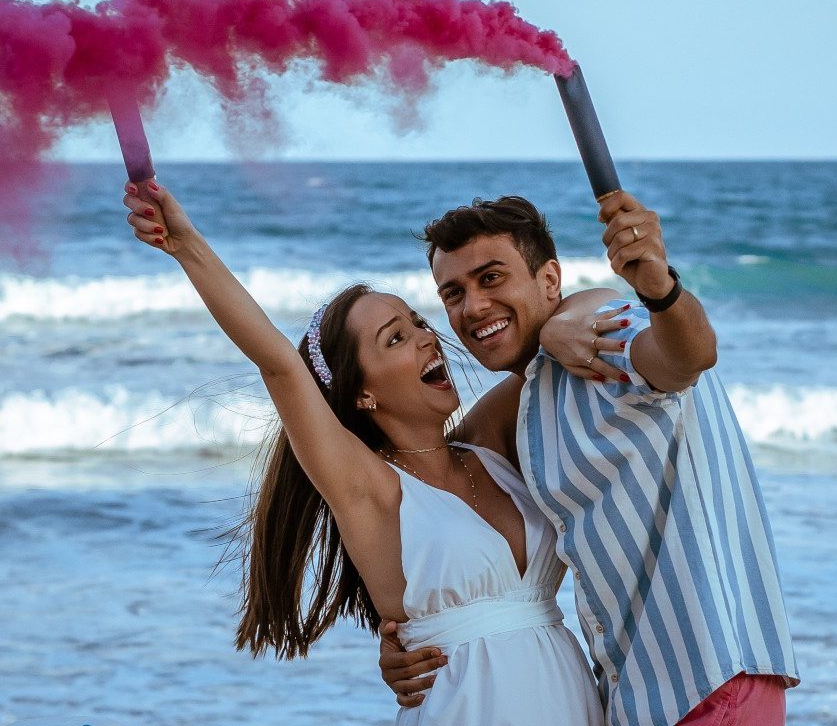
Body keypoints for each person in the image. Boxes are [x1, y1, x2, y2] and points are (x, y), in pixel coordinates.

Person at [120, 179, 606, 726]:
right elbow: (279, 363)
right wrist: (185, 244)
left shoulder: (489, 446)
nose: (428, 338)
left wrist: (568, 318)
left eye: (420, 323)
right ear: (362, 394)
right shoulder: (369, 489)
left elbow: (550, 332)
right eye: (396, 339)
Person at [378, 193, 800, 726]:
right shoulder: (526, 402)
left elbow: (688, 357)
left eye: (491, 278)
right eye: (453, 292)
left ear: (550, 280)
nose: (473, 307)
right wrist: (410, 636)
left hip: (709, 679)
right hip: (639, 695)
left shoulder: (602, 330)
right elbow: (429, 499)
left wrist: (660, 290)